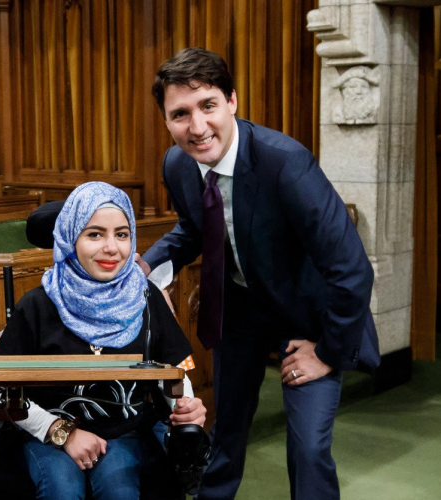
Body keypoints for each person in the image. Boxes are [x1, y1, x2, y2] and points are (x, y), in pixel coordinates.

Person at [137, 47, 379, 500]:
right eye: (180, 114)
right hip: (242, 313)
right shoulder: (178, 164)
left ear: (231, 101)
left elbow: (351, 270)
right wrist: (145, 265)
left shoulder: (285, 163)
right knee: (226, 432)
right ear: (166, 120)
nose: (197, 127)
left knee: (308, 448)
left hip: (310, 320)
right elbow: (193, 228)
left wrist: (326, 351)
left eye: (208, 105)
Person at [0, 181, 206, 499]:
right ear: (69, 238)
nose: (111, 248)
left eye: (121, 234)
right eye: (94, 234)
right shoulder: (37, 305)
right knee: (62, 490)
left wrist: (185, 406)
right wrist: (60, 432)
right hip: (47, 432)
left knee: (119, 489)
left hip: (126, 431)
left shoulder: (148, 299)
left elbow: (177, 368)